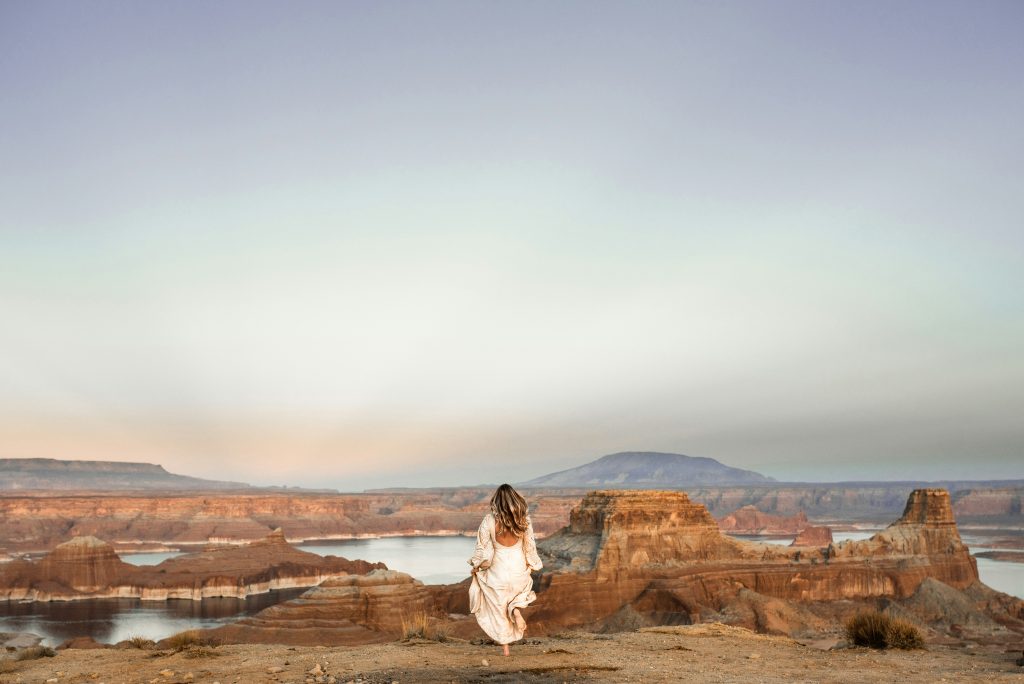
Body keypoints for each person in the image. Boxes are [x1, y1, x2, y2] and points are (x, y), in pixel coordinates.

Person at [467, 483, 543, 657]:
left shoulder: (490, 521)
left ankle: (506, 650)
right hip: (517, 568)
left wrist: (477, 566)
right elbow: (530, 545)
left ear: (496, 501)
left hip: (497, 571)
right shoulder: (524, 520)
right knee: (516, 595)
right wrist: (531, 564)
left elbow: (482, 549)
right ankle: (516, 609)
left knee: (498, 608)